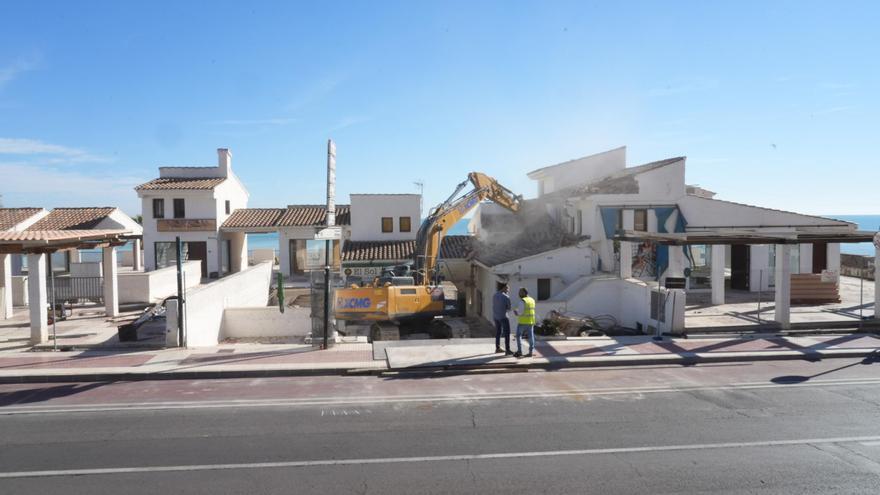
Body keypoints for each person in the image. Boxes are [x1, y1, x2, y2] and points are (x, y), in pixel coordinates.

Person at [513, 287, 536, 358]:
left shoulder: (522, 301)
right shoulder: (532, 300)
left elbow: (521, 312)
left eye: (520, 292)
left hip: (522, 322)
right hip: (531, 321)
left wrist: (516, 312)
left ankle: (520, 351)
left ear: (524, 293)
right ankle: (531, 352)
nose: (519, 294)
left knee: (518, 336)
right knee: (531, 337)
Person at [492, 283, 512, 355]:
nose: (508, 290)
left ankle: (497, 348)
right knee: (507, 333)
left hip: (496, 317)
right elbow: (509, 308)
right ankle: (507, 350)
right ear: (503, 288)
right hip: (503, 317)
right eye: (507, 288)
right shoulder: (506, 297)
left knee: (498, 332)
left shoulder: (494, 295)